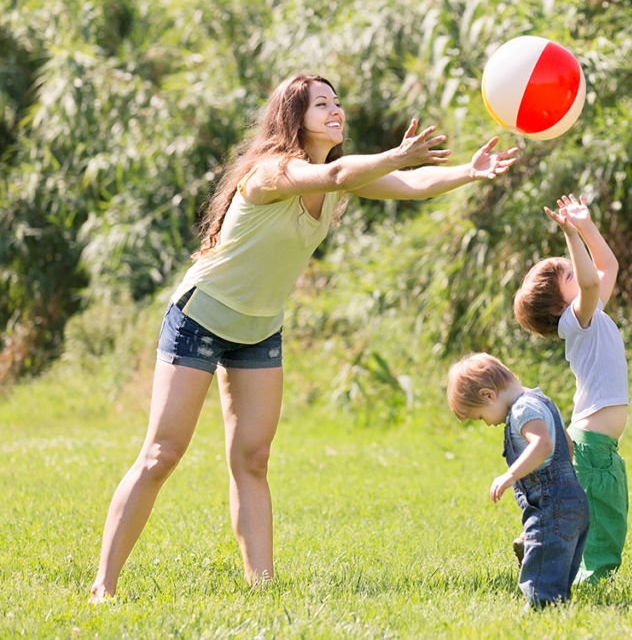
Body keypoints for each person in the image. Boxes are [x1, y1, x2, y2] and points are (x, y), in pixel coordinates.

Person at [88, 73, 518, 602]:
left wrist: (468, 172)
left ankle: (261, 588)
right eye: (322, 104)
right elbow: (342, 171)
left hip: (259, 328)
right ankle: (103, 586)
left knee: (252, 457)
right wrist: (397, 154)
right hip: (200, 318)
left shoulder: (329, 177)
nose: (336, 111)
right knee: (162, 454)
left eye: (338, 103)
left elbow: (407, 187)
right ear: (295, 117)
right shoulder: (272, 172)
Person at [513, 194, 629, 583]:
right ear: (560, 307)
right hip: (594, 443)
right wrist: (571, 235)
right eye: (569, 277)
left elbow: (607, 266)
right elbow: (592, 278)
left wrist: (585, 225)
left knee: (591, 512)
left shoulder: (591, 315)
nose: (578, 278)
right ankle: (590, 580)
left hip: (594, 442)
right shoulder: (576, 323)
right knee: (604, 518)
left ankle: (541, 541)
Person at [447, 352, 589, 610]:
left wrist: (511, 475)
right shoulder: (544, 401)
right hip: (571, 499)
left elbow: (543, 444)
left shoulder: (523, 409)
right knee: (557, 572)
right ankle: (556, 613)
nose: (487, 424)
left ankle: (536, 618)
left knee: (541, 578)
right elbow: (565, 445)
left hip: (552, 502)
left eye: (480, 417)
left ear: (488, 395)